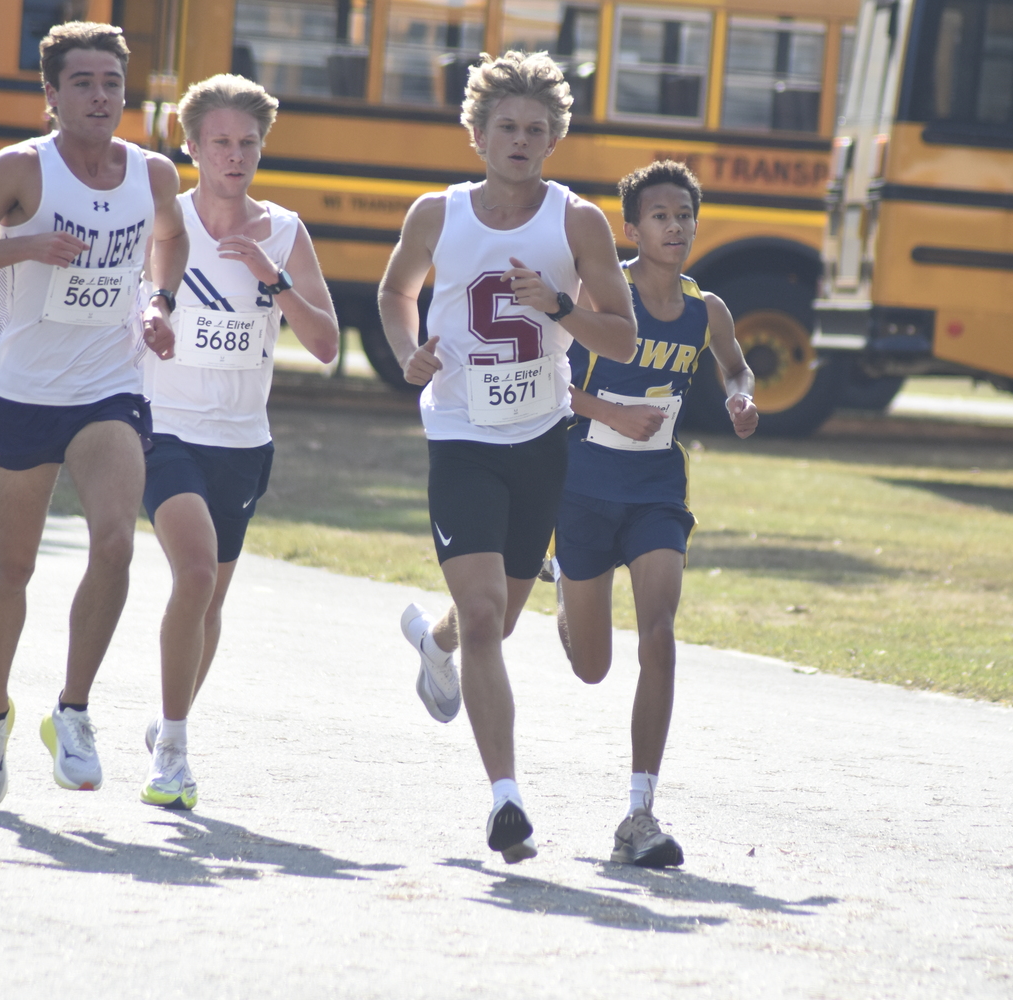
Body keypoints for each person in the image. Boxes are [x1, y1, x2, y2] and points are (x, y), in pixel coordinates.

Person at [0, 21, 188, 809]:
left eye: (111, 82)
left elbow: (168, 239)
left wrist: (157, 302)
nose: (100, 96)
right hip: (24, 393)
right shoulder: (20, 170)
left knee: (115, 544)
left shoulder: (153, 173)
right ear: (51, 95)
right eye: (83, 83)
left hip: (109, 390)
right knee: (14, 567)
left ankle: (72, 712)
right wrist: (22, 247)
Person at [379, 51, 638, 863]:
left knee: (493, 617)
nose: (521, 141)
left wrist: (559, 304)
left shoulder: (576, 222)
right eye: (507, 128)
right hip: (459, 436)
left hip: (540, 440)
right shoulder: (437, 213)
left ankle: (436, 644)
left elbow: (623, 338)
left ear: (554, 138)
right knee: (488, 613)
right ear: (478, 134)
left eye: (536, 129)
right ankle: (506, 802)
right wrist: (408, 351)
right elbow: (395, 293)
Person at [136, 74, 339, 810]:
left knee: (210, 598)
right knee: (193, 577)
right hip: (165, 430)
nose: (234, 155)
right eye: (219, 142)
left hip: (244, 441)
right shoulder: (164, 222)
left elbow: (324, 343)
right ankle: (175, 758)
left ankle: (164, 723)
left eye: (247, 142)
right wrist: (148, 322)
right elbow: (130, 307)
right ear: (190, 148)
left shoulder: (283, 231)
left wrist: (272, 276)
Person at [551, 161, 758, 867]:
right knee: (591, 668)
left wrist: (740, 396)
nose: (677, 227)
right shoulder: (600, 296)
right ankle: (565, 591)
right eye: (661, 217)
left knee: (661, 633)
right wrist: (610, 410)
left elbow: (734, 364)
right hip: (581, 484)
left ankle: (640, 813)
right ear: (632, 230)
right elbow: (548, 381)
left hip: (657, 489)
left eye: (686, 216)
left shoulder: (709, 310)